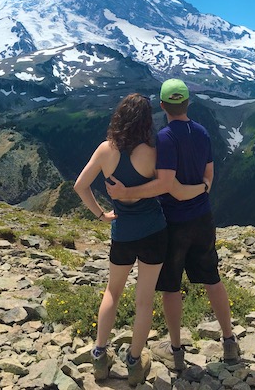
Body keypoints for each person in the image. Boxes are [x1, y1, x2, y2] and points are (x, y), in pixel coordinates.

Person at [73, 93, 209, 386]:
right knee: (144, 302)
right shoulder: (153, 150)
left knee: (112, 293)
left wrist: (101, 215)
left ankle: (99, 355)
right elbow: (167, 185)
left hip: (122, 233)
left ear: (119, 117)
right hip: (153, 232)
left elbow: (80, 185)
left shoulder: (105, 150)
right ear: (147, 121)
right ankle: (135, 362)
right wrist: (202, 187)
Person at [106, 79, 239, 371]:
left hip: (173, 222)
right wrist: (202, 190)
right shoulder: (203, 133)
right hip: (203, 218)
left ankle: (176, 349)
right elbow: (209, 177)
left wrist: (127, 194)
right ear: (188, 103)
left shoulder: (164, 138)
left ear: (163, 106)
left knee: (171, 288)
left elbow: (168, 186)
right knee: (212, 278)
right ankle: (229, 341)